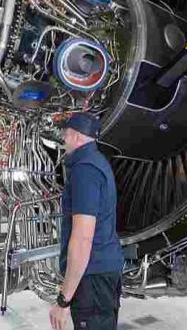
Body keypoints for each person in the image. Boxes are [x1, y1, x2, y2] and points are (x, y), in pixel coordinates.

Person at [49, 113, 124, 330]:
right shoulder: (97, 163)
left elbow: (82, 238)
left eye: (65, 135)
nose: (63, 141)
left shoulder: (85, 171)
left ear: (75, 136)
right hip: (100, 273)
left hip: (92, 276)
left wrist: (64, 300)